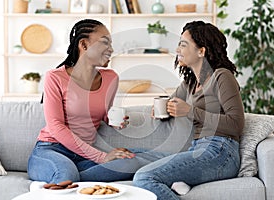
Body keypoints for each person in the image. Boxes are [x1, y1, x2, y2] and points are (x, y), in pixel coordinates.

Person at [133, 20, 245, 199]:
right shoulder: (190, 83)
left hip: (221, 152)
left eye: (183, 45)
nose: (177, 50)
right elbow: (169, 103)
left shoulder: (222, 76)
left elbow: (236, 124)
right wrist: (161, 109)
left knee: (144, 177)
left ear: (201, 51)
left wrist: (190, 111)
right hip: (197, 149)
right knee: (133, 156)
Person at [27, 19, 140, 184]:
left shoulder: (111, 78)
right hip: (51, 150)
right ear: (84, 45)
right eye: (104, 43)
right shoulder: (55, 77)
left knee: (133, 160)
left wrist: (114, 120)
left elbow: (104, 114)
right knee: (67, 173)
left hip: (82, 157)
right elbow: (56, 126)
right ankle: (66, 177)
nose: (111, 49)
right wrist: (101, 157)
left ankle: (66, 181)